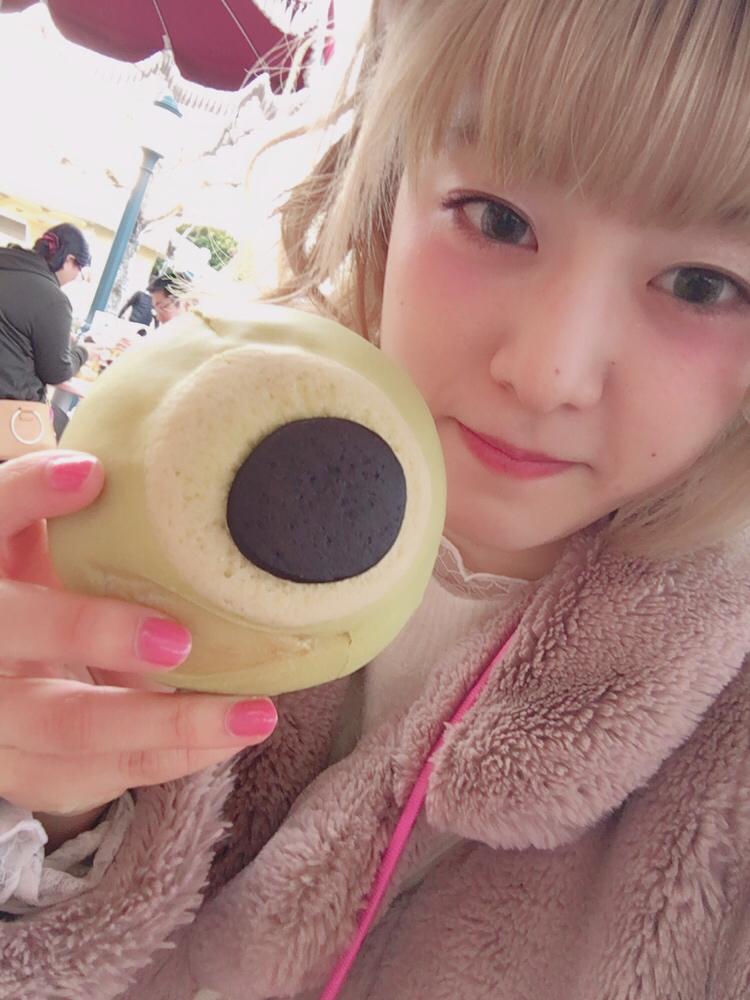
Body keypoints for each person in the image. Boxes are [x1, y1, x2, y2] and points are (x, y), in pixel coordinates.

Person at [1, 2, 750, 997]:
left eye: (700, 285)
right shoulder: (160, 493)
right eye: (498, 219)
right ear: (384, 190)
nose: (548, 373)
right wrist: (48, 814)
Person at [0, 223, 90, 403]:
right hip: (9, 408)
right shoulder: (53, 300)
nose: (76, 277)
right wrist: (83, 352)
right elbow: (56, 373)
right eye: (79, 269)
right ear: (69, 260)